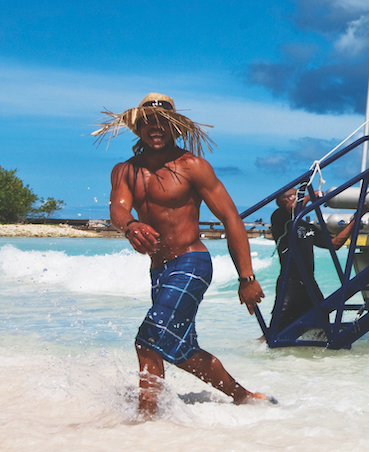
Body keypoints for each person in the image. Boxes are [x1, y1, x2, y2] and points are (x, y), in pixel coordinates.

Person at [94, 92, 272, 419]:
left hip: (192, 263)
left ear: (176, 127)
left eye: (164, 122)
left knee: (148, 338)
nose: (156, 127)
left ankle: (146, 420)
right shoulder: (125, 171)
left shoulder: (193, 167)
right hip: (159, 270)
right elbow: (118, 209)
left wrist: (246, 277)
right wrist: (130, 225)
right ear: (139, 129)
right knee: (179, 348)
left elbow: (231, 218)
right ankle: (243, 397)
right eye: (148, 122)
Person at [269, 186, 356, 335]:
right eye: (296, 195)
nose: (299, 197)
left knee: (321, 324)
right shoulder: (279, 219)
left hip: (309, 284)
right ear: (285, 200)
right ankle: (255, 351)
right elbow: (292, 210)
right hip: (290, 284)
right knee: (275, 331)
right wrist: (311, 195)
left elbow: (335, 244)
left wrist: (357, 218)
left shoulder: (307, 227)